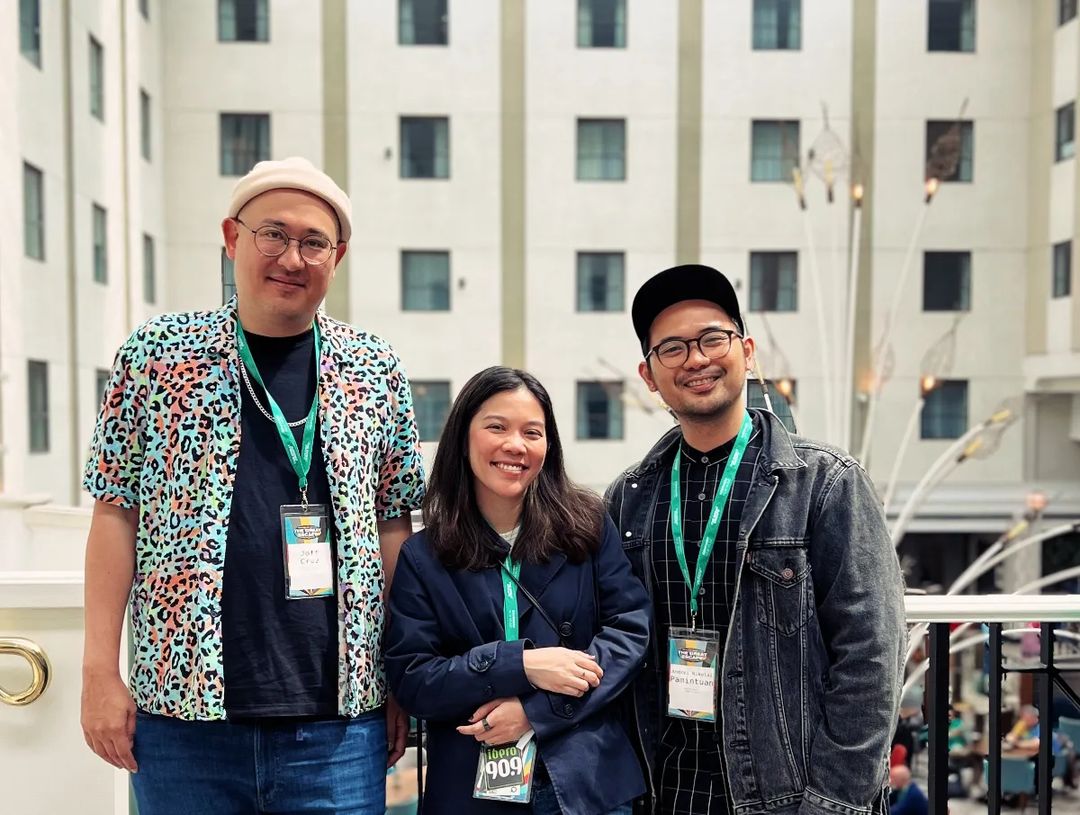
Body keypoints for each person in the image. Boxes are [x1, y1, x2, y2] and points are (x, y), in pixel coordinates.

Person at [81, 157, 425, 814]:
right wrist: (99, 669)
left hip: (339, 723)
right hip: (183, 718)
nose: (291, 257)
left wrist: (400, 675)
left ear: (338, 255)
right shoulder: (157, 356)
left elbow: (393, 526)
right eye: (273, 233)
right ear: (233, 237)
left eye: (313, 242)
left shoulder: (375, 368)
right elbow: (114, 511)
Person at [604, 264, 907, 814]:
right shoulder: (630, 497)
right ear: (649, 376)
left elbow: (872, 660)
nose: (696, 359)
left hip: (787, 798)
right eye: (671, 348)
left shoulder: (825, 483)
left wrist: (832, 802)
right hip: (665, 791)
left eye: (712, 339)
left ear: (746, 350)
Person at [385, 366, 651, 815]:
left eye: (533, 432)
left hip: (585, 782)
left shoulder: (585, 524)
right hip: (470, 785)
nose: (516, 445)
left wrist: (536, 709)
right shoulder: (424, 554)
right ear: (463, 436)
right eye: (496, 427)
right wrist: (520, 665)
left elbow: (629, 632)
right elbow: (413, 679)